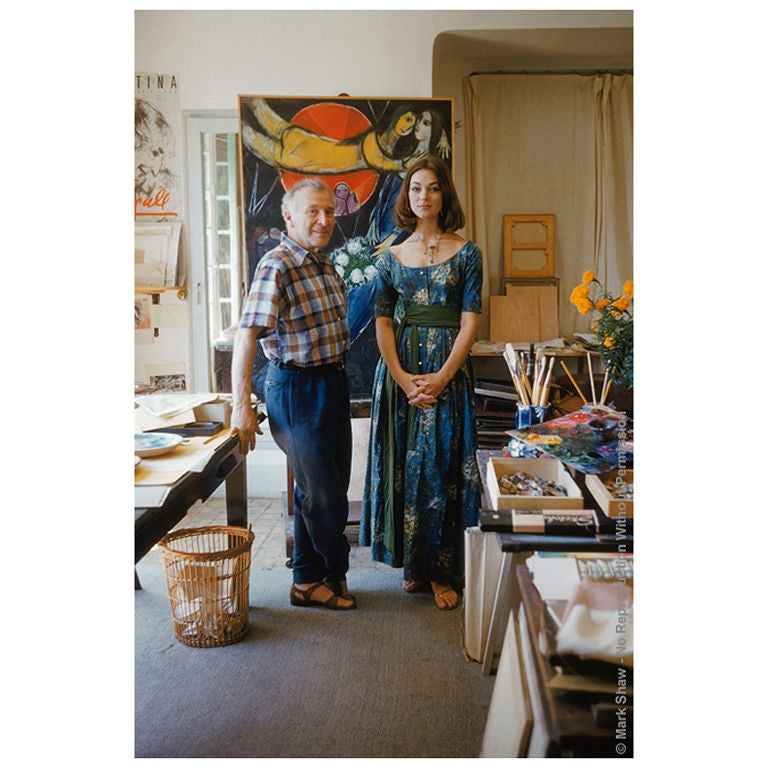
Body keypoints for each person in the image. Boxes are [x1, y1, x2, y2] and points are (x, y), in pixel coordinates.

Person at [360, 155, 483, 610]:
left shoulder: (468, 253)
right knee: (406, 468)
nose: (423, 196)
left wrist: (442, 378)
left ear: (444, 194)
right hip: (403, 372)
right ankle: (414, 564)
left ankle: (441, 570)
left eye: (432, 188)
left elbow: (470, 322)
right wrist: (402, 379)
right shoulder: (390, 257)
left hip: (448, 371)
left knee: (441, 466)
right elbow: (382, 323)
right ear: (406, 196)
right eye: (415, 188)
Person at [230, 177, 357, 611]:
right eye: (312, 211)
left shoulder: (325, 264)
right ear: (288, 216)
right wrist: (242, 407)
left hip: (332, 384)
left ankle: (305, 581)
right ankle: (337, 569)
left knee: (321, 489)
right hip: (295, 389)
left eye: (329, 211)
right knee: (324, 497)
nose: (323, 220)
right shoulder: (276, 265)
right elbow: (247, 336)